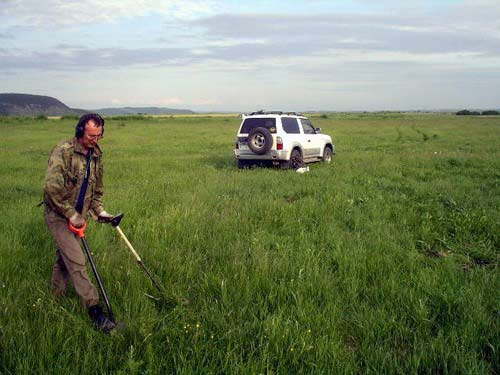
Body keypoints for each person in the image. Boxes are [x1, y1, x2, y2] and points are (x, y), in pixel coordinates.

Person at [43, 113, 116, 333]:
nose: (95, 140)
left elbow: (96, 192)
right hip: (58, 214)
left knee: (64, 258)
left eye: (99, 135)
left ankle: (55, 296)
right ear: (80, 131)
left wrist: (101, 211)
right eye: (91, 135)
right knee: (77, 261)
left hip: (79, 216)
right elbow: (51, 188)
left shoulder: (96, 155)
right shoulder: (63, 150)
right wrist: (69, 213)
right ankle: (95, 311)